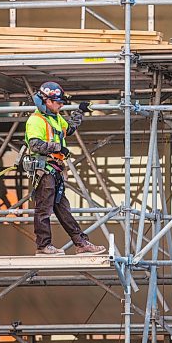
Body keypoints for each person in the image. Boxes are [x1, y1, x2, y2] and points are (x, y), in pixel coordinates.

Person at [24, 81, 106, 256]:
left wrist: (80, 112)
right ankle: (43, 246)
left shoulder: (54, 118)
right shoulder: (35, 120)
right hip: (45, 170)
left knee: (63, 209)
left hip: (55, 170)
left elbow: (69, 129)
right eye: (58, 102)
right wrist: (57, 148)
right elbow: (35, 144)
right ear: (46, 100)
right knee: (44, 209)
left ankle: (81, 243)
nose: (61, 105)